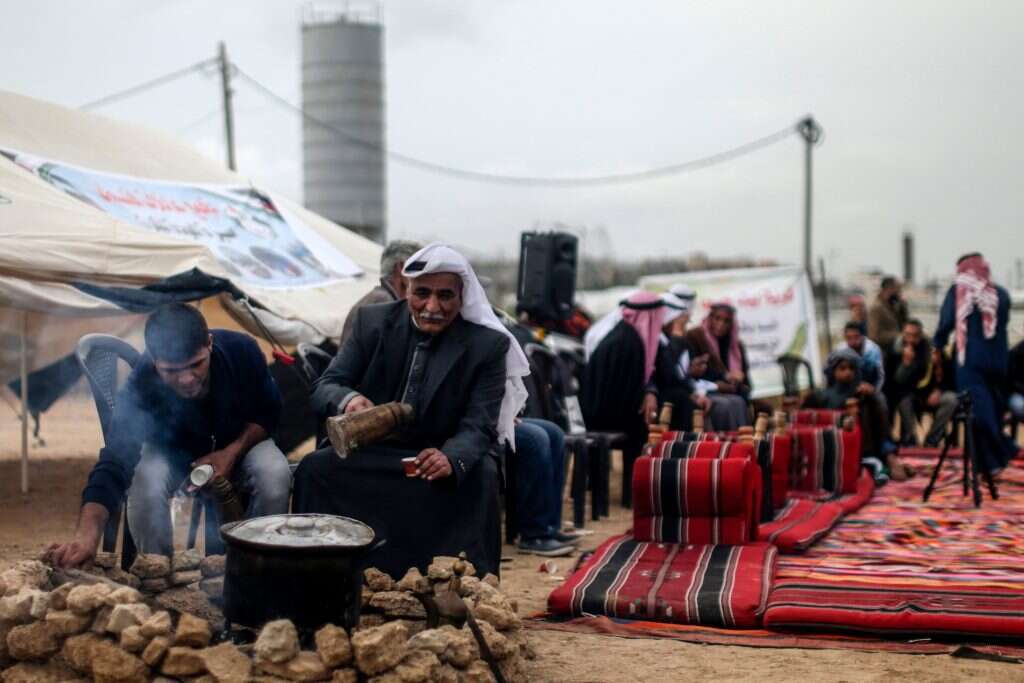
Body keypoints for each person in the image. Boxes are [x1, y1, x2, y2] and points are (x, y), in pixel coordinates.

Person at [293, 243, 529, 577]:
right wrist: (349, 400)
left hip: (438, 454)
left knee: (481, 477)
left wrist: (451, 457)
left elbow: (480, 424)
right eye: (422, 293)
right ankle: (321, 575)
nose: (432, 307)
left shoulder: (487, 345)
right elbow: (326, 385)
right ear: (406, 289)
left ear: (462, 296)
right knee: (315, 469)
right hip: (375, 452)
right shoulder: (372, 322)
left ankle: (464, 586)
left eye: (445, 296)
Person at [48, 304, 291, 566]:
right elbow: (115, 459)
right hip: (173, 455)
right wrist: (87, 534)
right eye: (172, 371)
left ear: (209, 344)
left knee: (274, 474)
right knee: (145, 481)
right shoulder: (142, 383)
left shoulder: (242, 351)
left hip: (240, 445)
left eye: (196, 364)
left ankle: (258, 569)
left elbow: (268, 412)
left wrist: (231, 453)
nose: (186, 379)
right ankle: (157, 571)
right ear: (154, 361)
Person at [932, 253, 1016, 476]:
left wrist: (937, 345)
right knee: (993, 408)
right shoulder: (1001, 294)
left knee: (976, 411)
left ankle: (1004, 448)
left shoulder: (959, 292)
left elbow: (946, 323)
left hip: (971, 361)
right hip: (999, 360)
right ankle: (988, 465)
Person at [580, 291, 665, 503]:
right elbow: (624, 394)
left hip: (599, 410)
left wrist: (648, 393)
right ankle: (633, 494)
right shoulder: (629, 342)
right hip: (601, 415)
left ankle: (634, 491)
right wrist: (646, 399)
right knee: (644, 424)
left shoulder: (624, 333)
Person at [810, 348, 905, 480]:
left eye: (851, 368)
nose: (848, 372)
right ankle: (883, 461)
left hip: (867, 443)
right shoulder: (823, 395)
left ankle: (889, 457)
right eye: (842, 368)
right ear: (833, 371)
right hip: (837, 444)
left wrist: (872, 394)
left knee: (876, 399)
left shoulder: (860, 390)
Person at [512, 418, 578, 556]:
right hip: (485, 421)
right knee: (536, 438)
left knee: (555, 433)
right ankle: (533, 535)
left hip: (503, 417)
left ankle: (549, 528)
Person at [339, 240, 422, 346]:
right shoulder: (384, 303)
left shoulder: (378, 298)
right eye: (418, 268)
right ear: (401, 267)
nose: (423, 276)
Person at [684, 302, 752, 430]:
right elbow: (691, 372)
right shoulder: (695, 337)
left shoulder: (736, 346)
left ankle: (743, 440)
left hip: (731, 392)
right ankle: (724, 441)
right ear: (710, 318)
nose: (721, 324)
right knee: (727, 405)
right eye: (717, 318)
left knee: (739, 402)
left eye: (726, 321)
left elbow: (747, 384)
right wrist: (720, 382)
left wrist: (737, 380)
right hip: (702, 390)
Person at [653, 286, 710, 431]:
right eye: (678, 321)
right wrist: (677, 336)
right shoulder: (658, 340)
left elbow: (677, 373)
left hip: (679, 392)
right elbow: (668, 375)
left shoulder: (669, 339)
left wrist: (694, 391)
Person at [885, 319, 937, 446]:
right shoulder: (894, 350)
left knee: (950, 400)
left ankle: (931, 440)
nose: (911, 340)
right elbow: (895, 382)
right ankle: (910, 439)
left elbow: (931, 376)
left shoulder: (928, 351)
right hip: (902, 394)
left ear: (921, 336)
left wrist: (938, 389)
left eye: (915, 336)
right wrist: (905, 365)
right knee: (903, 400)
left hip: (925, 392)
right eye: (908, 335)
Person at [837, 321, 885, 394]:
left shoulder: (873, 350)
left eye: (856, 337)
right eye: (849, 338)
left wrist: (874, 391)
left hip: (870, 386)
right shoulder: (840, 350)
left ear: (863, 336)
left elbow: (880, 376)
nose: (853, 341)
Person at [868, 276, 909, 352]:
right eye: (898, 290)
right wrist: (898, 336)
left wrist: (903, 307)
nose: (900, 293)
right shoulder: (877, 308)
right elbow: (874, 336)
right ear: (889, 289)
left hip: (895, 348)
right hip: (884, 352)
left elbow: (905, 324)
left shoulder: (893, 306)